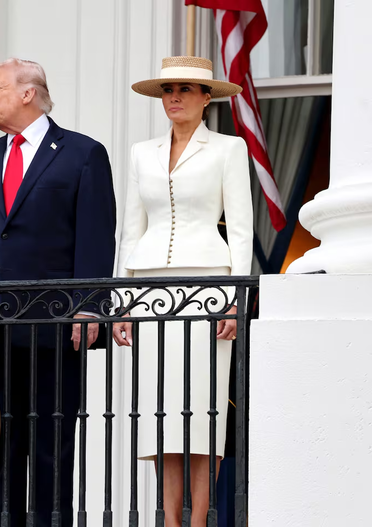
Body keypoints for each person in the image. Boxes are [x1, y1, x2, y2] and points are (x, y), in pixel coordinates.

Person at [0, 58, 116, 526]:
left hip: (53, 328)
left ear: (28, 93)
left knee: (50, 448)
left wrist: (90, 309)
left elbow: (97, 238)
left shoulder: (83, 154)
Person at [113, 56, 253, 527]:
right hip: (150, 288)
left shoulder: (229, 149)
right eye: (168, 89)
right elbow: (130, 230)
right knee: (162, 413)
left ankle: (199, 521)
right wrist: (121, 302)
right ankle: (170, 520)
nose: (174, 97)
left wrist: (236, 297)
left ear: (206, 98)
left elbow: (240, 228)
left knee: (204, 410)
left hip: (209, 287)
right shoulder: (140, 151)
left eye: (186, 89)